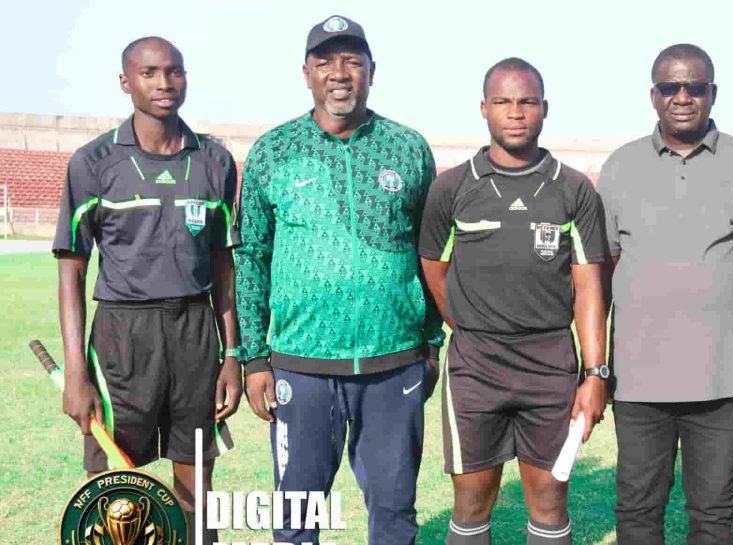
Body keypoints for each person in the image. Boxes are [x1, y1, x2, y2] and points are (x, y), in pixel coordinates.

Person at [235, 15, 443, 545]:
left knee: (395, 513)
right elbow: (252, 257)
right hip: (300, 368)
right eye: (326, 61)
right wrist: (254, 357)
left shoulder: (408, 148)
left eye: (352, 60)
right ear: (306, 73)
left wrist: (432, 341)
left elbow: (432, 252)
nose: (340, 73)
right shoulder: (273, 151)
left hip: (392, 362)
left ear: (373, 70)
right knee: (296, 519)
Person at [597, 43, 733, 544]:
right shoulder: (620, 167)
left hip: (723, 379)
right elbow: (601, 277)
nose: (682, 97)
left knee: (714, 511)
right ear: (653, 95)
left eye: (694, 87)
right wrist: (596, 367)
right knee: (638, 509)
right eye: (670, 87)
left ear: (712, 93)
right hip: (638, 378)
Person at [53, 36, 241, 544]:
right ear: (125, 82)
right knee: (114, 491)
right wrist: (76, 370)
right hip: (121, 336)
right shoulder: (93, 162)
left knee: (197, 489)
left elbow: (224, 266)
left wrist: (232, 355)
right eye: (149, 72)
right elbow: (71, 269)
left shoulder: (215, 162)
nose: (164, 83)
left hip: (195, 333)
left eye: (174, 72)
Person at [419, 57, 608, 545]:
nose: (515, 112)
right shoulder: (452, 188)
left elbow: (589, 286)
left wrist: (594, 374)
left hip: (550, 366)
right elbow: (434, 271)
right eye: (503, 101)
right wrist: (466, 321)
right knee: (471, 506)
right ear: (484, 109)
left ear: (545, 109)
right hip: (476, 367)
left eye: (526, 101)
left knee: (548, 504)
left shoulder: (574, 190)